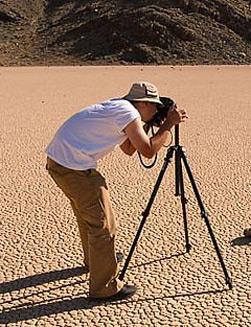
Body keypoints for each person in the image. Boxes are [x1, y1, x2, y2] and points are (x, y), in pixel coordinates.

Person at [45, 81, 188, 301]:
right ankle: (105, 287)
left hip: (60, 163)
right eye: (155, 106)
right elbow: (147, 151)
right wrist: (168, 125)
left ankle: (96, 261)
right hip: (74, 168)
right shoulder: (127, 112)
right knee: (103, 225)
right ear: (143, 102)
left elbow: (129, 149)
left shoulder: (118, 107)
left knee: (88, 218)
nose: (157, 110)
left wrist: (150, 124)